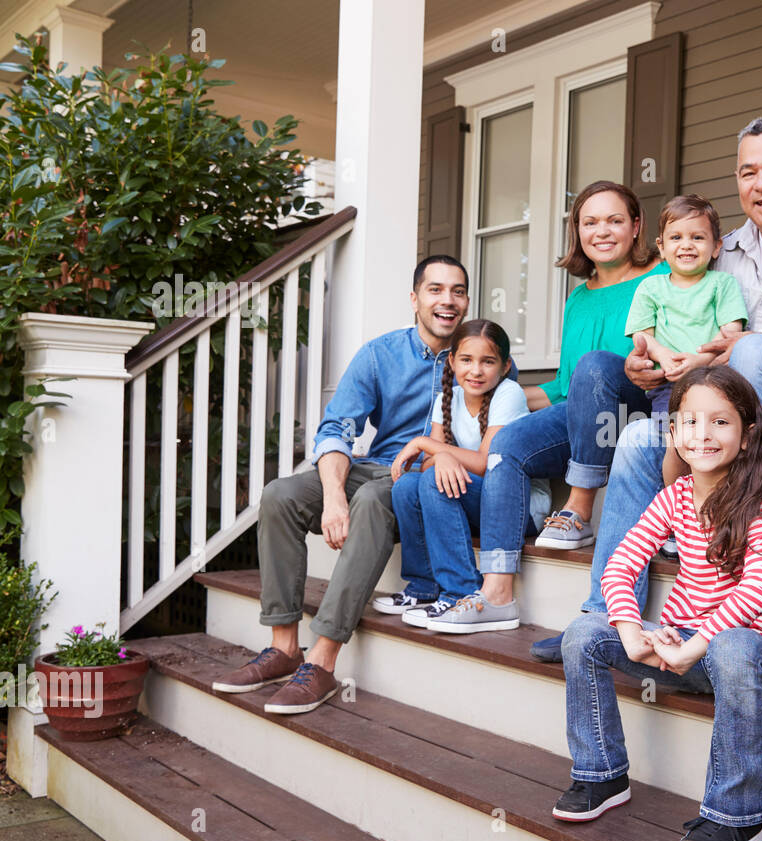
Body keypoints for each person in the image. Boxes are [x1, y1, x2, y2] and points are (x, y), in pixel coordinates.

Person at [530, 117, 762, 661]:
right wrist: (645, 365)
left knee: (757, 351)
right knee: (637, 441)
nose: (760, 183)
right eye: (748, 172)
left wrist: (742, 348)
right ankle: (602, 617)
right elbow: (680, 325)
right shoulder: (723, 250)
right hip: (708, 426)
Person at [552, 366, 762, 841]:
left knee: (732, 646)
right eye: (690, 422)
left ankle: (736, 818)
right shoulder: (675, 498)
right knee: (583, 633)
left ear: (747, 436)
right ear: (674, 433)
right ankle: (601, 775)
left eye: (720, 423)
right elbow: (621, 563)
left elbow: (756, 592)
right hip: (681, 648)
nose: (703, 435)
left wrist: (695, 644)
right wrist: (629, 628)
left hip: (754, 657)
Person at [211, 255, 476, 714]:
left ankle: (323, 659)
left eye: (456, 291)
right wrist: (334, 498)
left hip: (422, 482)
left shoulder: (480, 356)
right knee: (281, 494)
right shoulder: (381, 354)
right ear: (414, 299)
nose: (446, 301)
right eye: (435, 290)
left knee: (374, 497)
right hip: (373, 465)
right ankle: (283, 645)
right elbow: (336, 429)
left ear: (467, 301)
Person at [441, 183, 667, 629]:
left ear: (636, 226)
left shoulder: (661, 278)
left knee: (597, 365)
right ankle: (498, 591)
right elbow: (564, 386)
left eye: (615, 220)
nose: (602, 231)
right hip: (584, 415)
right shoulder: (578, 297)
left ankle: (579, 506)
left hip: (638, 410)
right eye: (590, 222)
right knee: (508, 442)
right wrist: (490, 397)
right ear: (577, 231)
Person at [388, 320, 548, 633]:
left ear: (505, 367)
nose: (475, 371)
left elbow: (485, 462)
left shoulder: (509, 393)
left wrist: (425, 444)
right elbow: (429, 465)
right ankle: (424, 585)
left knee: (434, 482)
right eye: (466, 360)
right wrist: (440, 454)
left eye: (488, 361)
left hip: (517, 509)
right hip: (477, 499)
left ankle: (460, 591)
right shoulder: (447, 398)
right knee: (407, 485)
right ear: (451, 361)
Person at [624, 194, 746, 414]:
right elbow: (642, 336)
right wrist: (662, 356)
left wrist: (701, 360)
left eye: (698, 237)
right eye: (676, 237)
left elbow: (730, 332)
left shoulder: (722, 283)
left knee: (712, 430)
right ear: (661, 246)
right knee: (670, 434)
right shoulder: (650, 288)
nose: (686, 245)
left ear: (716, 246)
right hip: (668, 383)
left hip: (715, 378)